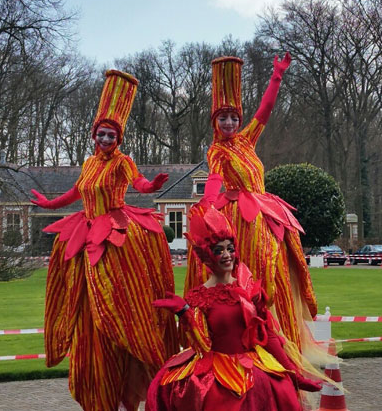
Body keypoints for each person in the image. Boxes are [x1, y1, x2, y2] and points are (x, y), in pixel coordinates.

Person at [31, 70, 179, 411]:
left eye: (111, 134)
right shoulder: (88, 164)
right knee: (75, 286)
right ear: (94, 135)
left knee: (121, 293)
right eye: (101, 133)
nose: (106, 139)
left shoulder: (124, 162)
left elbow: (139, 184)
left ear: (119, 137)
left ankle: (132, 335)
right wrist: (48, 204)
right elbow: (74, 193)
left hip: (112, 229)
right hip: (86, 229)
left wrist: (153, 187)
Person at [184, 54, 318, 354]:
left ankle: (279, 344)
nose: (229, 123)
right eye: (222, 118)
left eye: (233, 117)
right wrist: (206, 205)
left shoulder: (247, 140)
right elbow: (216, 179)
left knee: (275, 273)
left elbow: (266, 110)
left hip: (264, 213)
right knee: (251, 272)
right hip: (241, 219)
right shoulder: (216, 150)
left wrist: (277, 76)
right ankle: (246, 341)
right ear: (214, 121)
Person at [146, 206, 321, 411]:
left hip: (253, 366)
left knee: (276, 389)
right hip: (216, 369)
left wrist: (294, 374)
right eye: (219, 250)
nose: (227, 255)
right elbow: (202, 346)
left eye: (230, 248)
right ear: (207, 256)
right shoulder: (198, 297)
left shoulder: (248, 288)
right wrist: (184, 312)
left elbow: (268, 336)